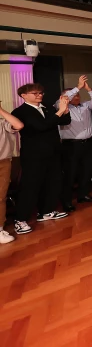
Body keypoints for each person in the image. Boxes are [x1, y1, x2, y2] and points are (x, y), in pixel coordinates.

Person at [11, 84, 71, 235]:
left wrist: (65, 109)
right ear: (23, 95)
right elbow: (41, 126)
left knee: (53, 182)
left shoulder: (46, 108)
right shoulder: (20, 112)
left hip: (53, 152)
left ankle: (46, 211)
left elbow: (64, 121)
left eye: (41, 93)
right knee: (30, 187)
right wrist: (60, 111)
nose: (39, 95)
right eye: (35, 93)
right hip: (34, 156)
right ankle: (20, 219)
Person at [58, 75, 92, 211]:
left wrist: (87, 88)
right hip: (71, 145)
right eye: (74, 95)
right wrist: (78, 86)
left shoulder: (86, 106)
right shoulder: (61, 107)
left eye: (78, 95)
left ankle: (83, 195)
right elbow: (65, 98)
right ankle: (67, 201)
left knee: (86, 170)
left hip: (88, 143)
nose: (77, 97)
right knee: (70, 173)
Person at [0, 104, 24, 244]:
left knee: (0, 197)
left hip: (3, 162)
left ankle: (0, 229)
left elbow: (19, 125)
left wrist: (1, 111)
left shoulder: (3, 123)